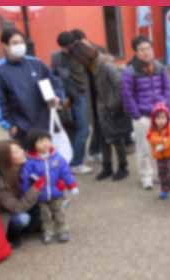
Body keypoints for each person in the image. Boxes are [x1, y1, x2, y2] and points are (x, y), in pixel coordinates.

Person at [68, 41, 133, 181]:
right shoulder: (89, 67)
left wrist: (112, 105)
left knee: (116, 138)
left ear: (82, 56)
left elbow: (120, 86)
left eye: (76, 58)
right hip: (98, 109)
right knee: (103, 139)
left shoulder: (105, 65)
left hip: (111, 108)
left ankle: (123, 167)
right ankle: (107, 167)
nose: (75, 62)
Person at [0, 28, 65, 143]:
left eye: (21, 42)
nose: (20, 46)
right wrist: (9, 125)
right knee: (28, 154)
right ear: (5, 45)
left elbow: (54, 82)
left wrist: (58, 96)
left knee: (49, 153)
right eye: (15, 43)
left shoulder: (36, 63)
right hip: (22, 129)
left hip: (46, 123)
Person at [122, 36, 170, 190]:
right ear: (136, 52)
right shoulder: (130, 71)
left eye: (149, 48)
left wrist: (166, 109)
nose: (146, 52)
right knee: (144, 148)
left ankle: (160, 174)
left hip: (160, 115)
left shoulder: (160, 67)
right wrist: (136, 115)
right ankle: (146, 176)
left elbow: (167, 88)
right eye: (142, 49)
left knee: (162, 146)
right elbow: (127, 95)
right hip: (142, 116)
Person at [20, 129, 80, 244]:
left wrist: (72, 185)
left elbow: (65, 172)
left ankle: (62, 230)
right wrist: (26, 192)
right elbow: (25, 178)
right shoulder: (30, 162)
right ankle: (48, 232)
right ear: (33, 144)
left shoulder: (57, 157)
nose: (46, 143)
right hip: (40, 195)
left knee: (59, 212)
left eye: (48, 140)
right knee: (44, 215)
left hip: (56, 192)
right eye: (41, 141)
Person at [0, 140, 42, 248]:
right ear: (5, 158)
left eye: (20, 148)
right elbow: (17, 208)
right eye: (16, 152)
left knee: (53, 206)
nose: (22, 152)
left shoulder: (28, 165)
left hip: (28, 203)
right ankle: (12, 236)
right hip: (10, 212)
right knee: (23, 218)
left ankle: (31, 227)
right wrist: (36, 188)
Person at [51, 31, 93, 174]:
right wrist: (62, 97)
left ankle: (74, 160)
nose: (65, 50)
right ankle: (75, 162)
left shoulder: (81, 53)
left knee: (81, 129)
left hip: (81, 95)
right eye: (62, 47)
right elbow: (55, 78)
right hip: (71, 98)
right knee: (82, 129)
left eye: (67, 47)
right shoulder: (57, 57)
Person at [146, 103, 170, 201]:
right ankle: (164, 189)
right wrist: (162, 140)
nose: (161, 121)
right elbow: (151, 139)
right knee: (162, 173)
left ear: (167, 118)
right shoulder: (152, 129)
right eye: (158, 118)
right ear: (154, 119)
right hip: (160, 157)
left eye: (163, 118)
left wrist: (164, 145)